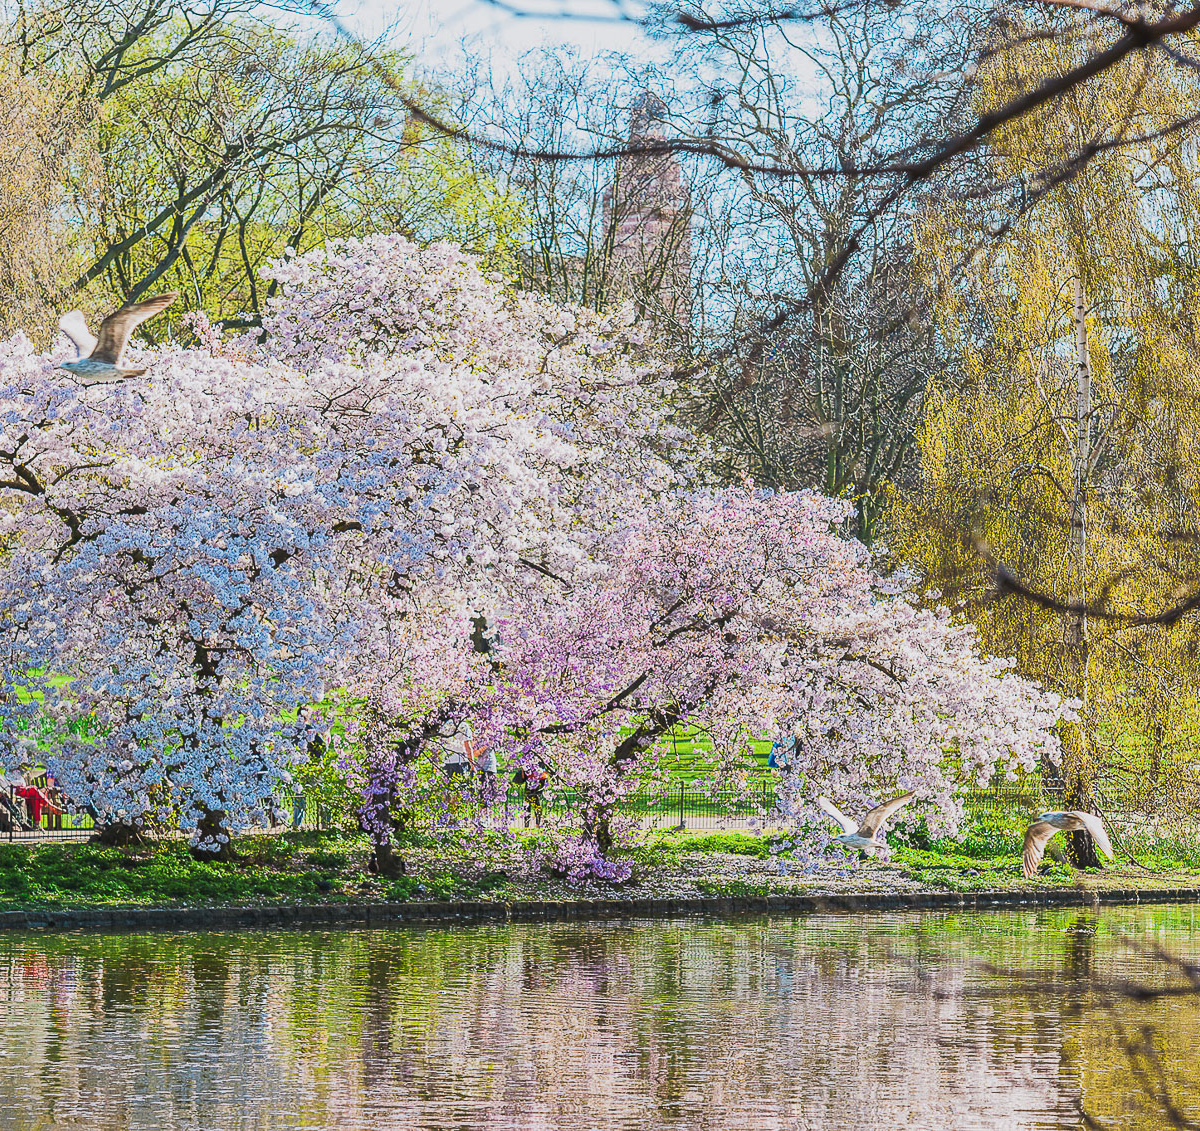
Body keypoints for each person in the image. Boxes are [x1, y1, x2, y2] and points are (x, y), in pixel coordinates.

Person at [513, 762, 549, 828]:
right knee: (527, 801)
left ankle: (537, 824)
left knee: (536, 800)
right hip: (530, 778)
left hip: (540, 778)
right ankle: (527, 824)